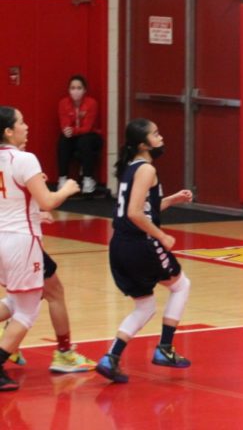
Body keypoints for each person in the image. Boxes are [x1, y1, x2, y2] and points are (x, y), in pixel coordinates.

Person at [95, 118, 194, 384]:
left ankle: (111, 357)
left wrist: (172, 199)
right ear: (143, 144)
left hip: (120, 245)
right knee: (181, 286)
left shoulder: (132, 168)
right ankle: (165, 348)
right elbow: (134, 213)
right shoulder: (147, 169)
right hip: (139, 243)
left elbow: (142, 209)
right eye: (156, 134)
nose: (161, 137)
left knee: (145, 304)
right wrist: (161, 235)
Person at [0, 106, 80, 391]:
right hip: (22, 241)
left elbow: (16, 201)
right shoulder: (24, 159)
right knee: (27, 311)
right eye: (21, 122)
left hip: (3, 238)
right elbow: (47, 200)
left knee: (14, 302)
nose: (27, 126)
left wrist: (34, 211)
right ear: (8, 130)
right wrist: (68, 189)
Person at [57, 75, 103, 194]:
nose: (75, 91)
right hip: (72, 136)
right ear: (69, 90)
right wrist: (68, 131)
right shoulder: (63, 103)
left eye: (79, 88)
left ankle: (88, 178)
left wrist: (73, 131)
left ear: (84, 90)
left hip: (91, 136)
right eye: (73, 88)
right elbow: (65, 124)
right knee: (63, 140)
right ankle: (62, 178)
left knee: (85, 141)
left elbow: (87, 127)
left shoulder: (91, 103)